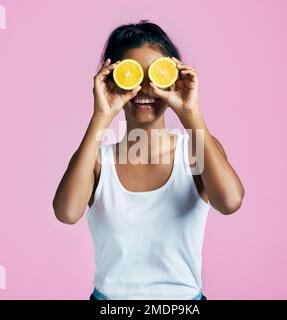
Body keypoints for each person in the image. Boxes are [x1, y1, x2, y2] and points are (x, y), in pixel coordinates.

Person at [52, 20, 245, 300]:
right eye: (131, 76)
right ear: (112, 80)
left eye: (156, 77)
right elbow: (67, 213)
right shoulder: (95, 160)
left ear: (173, 79)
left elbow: (229, 202)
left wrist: (190, 113)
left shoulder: (194, 152)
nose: (145, 89)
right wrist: (101, 117)